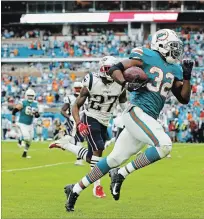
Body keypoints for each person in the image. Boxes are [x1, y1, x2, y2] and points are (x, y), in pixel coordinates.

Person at [63, 29, 193, 212]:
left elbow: (184, 98)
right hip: (136, 111)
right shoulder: (146, 55)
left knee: (114, 158)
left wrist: (187, 77)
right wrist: (125, 83)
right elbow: (116, 67)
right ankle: (121, 174)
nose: (176, 51)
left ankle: (74, 189)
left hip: (148, 119)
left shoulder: (175, 68)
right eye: (173, 47)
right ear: (161, 45)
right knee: (165, 145)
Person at [49, 56, 127, 198]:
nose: (110, 73)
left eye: (112, 70)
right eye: (108, 70)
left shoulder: (120, 84)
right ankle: (97, 186)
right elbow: (76, 105)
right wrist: (79, 123)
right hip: (90, 117)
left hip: (105, 120)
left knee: (92, 157)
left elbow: (124, 104)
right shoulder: (92, 80)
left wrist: (130, 117)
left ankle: (66, 145)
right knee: (99, 148)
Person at [60, 81, 85, 165]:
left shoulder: (87, 97)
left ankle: (64, 143)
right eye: (76, 88)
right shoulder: (70, 97)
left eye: (79, 88)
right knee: (78, 139)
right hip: (73, 120)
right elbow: (63, 110)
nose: (78, 89)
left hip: (83, 119)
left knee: (76, 139)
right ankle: (79, 159)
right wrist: (69, 117)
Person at [12, 88, 40, 158]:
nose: (30, 97)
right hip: (22, 123)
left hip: (30, 124)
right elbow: (14, 111)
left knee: (30, 140)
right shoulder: (23, 102)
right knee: (27, 138)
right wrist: (13, 121)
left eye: (32, 95)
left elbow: (37, 115)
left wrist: (36, 114)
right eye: (29, 95)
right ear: (26, 95)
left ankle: (25, 152)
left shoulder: (35, 103)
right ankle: (20, 140)